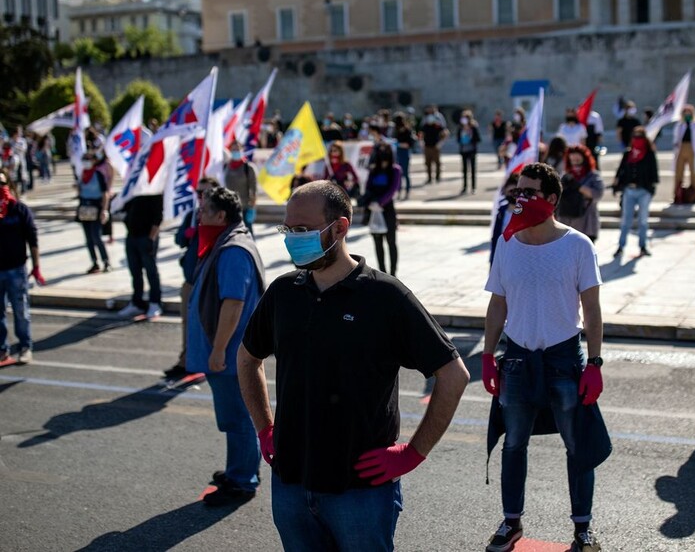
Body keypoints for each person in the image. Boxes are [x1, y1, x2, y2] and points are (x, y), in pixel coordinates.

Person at [237, 180, 468, 550]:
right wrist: (265, 429)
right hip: (290, 484)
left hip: (360, 491)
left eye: (302, 230)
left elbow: (454, 375)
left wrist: (413, 453)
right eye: (287, 229)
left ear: (340, 228)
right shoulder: (283, 293)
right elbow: (248, 359)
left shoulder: (386, 296)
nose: (291, 239)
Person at [482, 162, 608, 552]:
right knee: (514, 443)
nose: (520, 199)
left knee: (577, 445)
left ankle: (583, 530)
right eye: (517, 191)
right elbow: (497, 304)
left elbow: (593, 309)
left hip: (564, 360)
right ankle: (511, 523)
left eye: (530, 192)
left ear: (552, 199)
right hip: (517, 360)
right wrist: (488, 356)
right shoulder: (507, 242)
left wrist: (596, 363)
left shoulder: (577, 245)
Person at [186, 186, 266, 506]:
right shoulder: (227, 242)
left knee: (239, 417)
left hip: (231, 355)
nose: (199, 215)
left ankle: (242, 480)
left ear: (221, 215)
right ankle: (241, 469)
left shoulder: (233, 250)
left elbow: (232, 303)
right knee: (236, 416)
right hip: (229, 352)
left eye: (204, 210)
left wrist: (218, 350)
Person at [165, 177, 218, 380]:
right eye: (199, 192)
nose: (201, 196)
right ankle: (186, 360)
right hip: (190, 279)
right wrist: (190, 233)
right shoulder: (192, 215)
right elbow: (179, 240)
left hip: (209, 282)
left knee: (207, 323)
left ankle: (207, 359)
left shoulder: (220, 217)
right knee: (187, 322)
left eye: (206, 192)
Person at [0, 170, 43, 364]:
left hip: (16, 269)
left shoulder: (19, 210)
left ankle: (25, 346)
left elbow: (32, 239)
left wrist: (36, 266)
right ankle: (2, 350)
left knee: (20, 310)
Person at [612, 126, 659, 258]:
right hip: (629, 190)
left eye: (640, 137)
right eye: (635, 136)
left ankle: (643, 246)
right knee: (626, 220)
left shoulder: (649, 154)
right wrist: (617, 185)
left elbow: (654, 173)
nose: (637, 140)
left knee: (643, 220)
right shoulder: (628, 153)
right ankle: (621, 246)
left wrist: (651, 190)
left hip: (643, 190)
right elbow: (621, 170)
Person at [116, 190, 164, 320]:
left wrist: (151, 238)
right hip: (132, 236)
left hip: (146, 237)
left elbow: (158, 217)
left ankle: (155, 303)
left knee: (151, 271)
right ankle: (137, 302)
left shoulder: (155, 191)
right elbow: (124, 208)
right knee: (135, 271)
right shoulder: (134, 190)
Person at [362, 143, 402, 276]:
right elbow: (368, 187)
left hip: (387, 209)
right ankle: (382, 273)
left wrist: (381, 202)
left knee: (391, 242)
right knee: (377, 242)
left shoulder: (395, 170)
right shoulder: (373, 170)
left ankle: (393, 273)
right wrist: (371, 203)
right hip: (373, 209)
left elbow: (393, 189)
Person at [556, 145, 605, 243]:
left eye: (577, 155)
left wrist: (579, 187)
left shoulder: (593, 176)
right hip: (566, 223)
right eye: (572, 155)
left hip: (587, 224)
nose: (574, 158)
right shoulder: (565, 176)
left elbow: (597, 194)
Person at [77, 151, 111, 274]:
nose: (86, 162)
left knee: (96, 237)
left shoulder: (98, 174)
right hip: (84, 208)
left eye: (88, 159)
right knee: (88, 239)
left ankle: (106, 261)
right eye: (84, 159)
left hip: (96, 207)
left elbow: (105, 193)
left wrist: (104, 210)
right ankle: (94, 262)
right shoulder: (83, 174)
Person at [224, 139, 259, 235]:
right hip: (230, 207)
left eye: (238, 149)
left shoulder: (248, 168)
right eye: (234, 149)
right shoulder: (226, 167)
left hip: (244, 206)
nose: (236, 152)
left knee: (246, 233)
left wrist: (252, 207)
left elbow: (254, 189)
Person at [672, 104, 695, 204]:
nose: (687, 114)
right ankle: (677, 195)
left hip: (693, 149)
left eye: (689, 112)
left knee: (694, 173)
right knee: (678, 173)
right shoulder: (679, 125)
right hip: (681, 149)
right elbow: (676, 139)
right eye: (685, 112)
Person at [490, 173, 519, 266]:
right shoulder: (501, 212)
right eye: (510, 191)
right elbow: (496, 237)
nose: (513, 195)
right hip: (503, 255)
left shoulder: (525, 212)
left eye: (516, 191)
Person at [420, 105, 448, 184]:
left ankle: (438, 177)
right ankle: (429, 178)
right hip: (427, 145)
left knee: (437, 162)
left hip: (435, 146)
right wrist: (421, 142)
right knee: (427, 163)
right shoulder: (425, 125)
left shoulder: (438, 125)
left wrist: (440, 143)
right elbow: (421, 133)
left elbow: (445, 132)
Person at [457, 109, 482, 195]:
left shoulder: (473, 127)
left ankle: (473, 187)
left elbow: (478, 139)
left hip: (471, 150)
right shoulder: (460, 127)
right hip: (464, 150)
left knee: (472, 170)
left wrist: (469, 132)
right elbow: (458, 139)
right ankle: (464, 187)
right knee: (464, 170)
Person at [392, 112, 416, 200]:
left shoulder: (407, 130)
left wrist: (398, 144)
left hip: (404, 153)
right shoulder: (396, 130)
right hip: (397, 153)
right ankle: (399, 191)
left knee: (405, 173)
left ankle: (407, 191)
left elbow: (408, 144)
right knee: (398, 174)